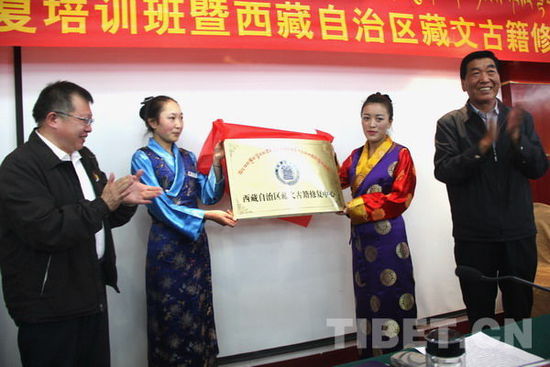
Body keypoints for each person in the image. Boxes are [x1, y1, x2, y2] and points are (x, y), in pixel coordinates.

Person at [0, 81, 162, 367]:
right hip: (48, 305)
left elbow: (101, 219)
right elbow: (47, 230)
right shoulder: (19, 167)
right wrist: (104, 203)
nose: (89, 128)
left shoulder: (84, 158)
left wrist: (123, 202)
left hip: (90, 292)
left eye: (91, 121)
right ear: (53, 119)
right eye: (83, 120)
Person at [434, 50, 549, 329]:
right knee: (480, 314)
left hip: (518, 232)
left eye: (491, 71)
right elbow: (445, 171)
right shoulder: (450, 124)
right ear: (463, 83)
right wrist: (482, 147)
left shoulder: (520, 119)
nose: (484, 78)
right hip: (474, 237)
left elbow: (537, 168)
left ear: (498, 77)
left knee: (520, 314)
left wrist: (518, 141)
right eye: (475, 72)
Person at [131, 96, 236, 366]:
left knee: (198, 307)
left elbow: (209, 194)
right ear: (152, 122)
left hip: (195, 246)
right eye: (171, 117)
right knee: (171, 314)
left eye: (180, 117)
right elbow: (159, 207)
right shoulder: (143, 158)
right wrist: (206, 216)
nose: (178, 124)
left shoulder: (187, 157)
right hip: (167, 248)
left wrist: (215, 163)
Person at [339, 92, 417, 357]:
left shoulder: (401, 154)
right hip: (362, 239)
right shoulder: (354, 156)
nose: (372, 124)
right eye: (366, 118)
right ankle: (369, 358)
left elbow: (399, 198)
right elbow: (332, 181)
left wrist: (355, 206)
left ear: (390, 121)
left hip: (388, 240)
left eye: (379, 118)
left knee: (392, 294)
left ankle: (398, 356)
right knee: (366, 296)